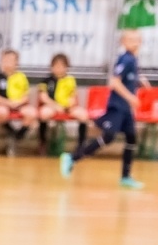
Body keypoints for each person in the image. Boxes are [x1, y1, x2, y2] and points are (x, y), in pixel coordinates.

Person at [62, 30, 148, 191]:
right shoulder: (125, 59)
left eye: (137, 40)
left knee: (131, 138)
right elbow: (114, 82)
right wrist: (131, 98)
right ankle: (72, 157)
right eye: (130, 40)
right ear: (123, 42)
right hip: (117, 106)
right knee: (109, 136)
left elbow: (128, 78)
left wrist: (140, 81)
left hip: (126, 109)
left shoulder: (134, 60)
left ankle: (126, 177)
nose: (134, 42)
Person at [36, 53, 88, 156]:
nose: (58, 68)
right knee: (43, 114)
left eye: (61, 66)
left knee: (83, 115)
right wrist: (55, 106)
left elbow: (73, 97)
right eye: (56, 66)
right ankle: (43, 143)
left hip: (67, 107)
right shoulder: (46, 81)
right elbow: (43, 97)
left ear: (66, 67)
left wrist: (67, 106)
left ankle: (81, 145)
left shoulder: (71, 80)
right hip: (52, 106)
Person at [0, 48, 35, 154]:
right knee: (1, 112)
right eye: (5, 60)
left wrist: (18, 103)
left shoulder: (22, 77)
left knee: (32, 113)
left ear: (16, 62)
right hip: (3, 104)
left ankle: (19, 135)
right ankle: (12, 132)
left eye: (11, 60)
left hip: (19, 104)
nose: (7, 63)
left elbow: (26, 96)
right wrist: (7, 102)